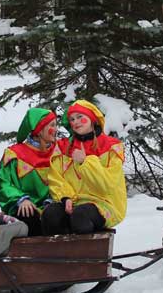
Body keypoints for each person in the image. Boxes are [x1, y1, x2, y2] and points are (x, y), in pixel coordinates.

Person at [43, 100, 127, 235]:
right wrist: (66, 197)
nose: (75, 122)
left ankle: (88, 252)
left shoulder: (111, 146)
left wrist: (85, 162)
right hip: (75, 201)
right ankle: (60, 252)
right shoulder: (64, 147)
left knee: (80, 216)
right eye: (72, 119)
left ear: (92, 119)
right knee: (51, 214)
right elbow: (56, 177)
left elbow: (107, 185)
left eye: (80, 117)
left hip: (104, 203)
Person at [0, 108, 58, 236]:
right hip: (25, 207)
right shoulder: (14, 154)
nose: (56, 130)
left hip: (53, 205)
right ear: (39, 130)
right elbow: (3, 184)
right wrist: (21, 199)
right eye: (52, 125)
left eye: (56, 125)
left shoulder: (59, 152)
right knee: (28, 215)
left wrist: (53, 201)